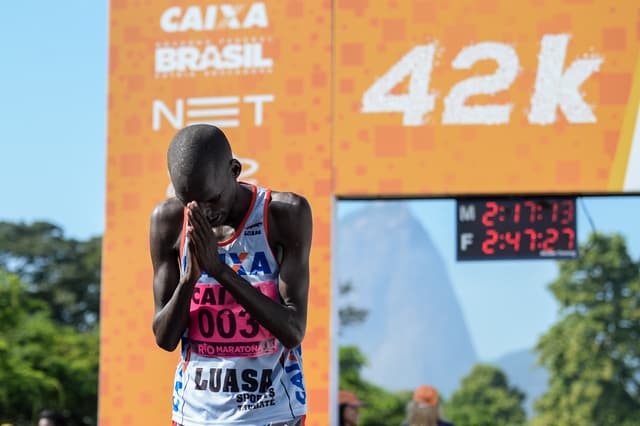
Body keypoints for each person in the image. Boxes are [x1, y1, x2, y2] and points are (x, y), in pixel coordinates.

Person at [150, 124, 312, 425]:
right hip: (196, 414)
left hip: (272, 412)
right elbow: (165, 337)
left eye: (212, 199)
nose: (205, 212)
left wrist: (219, 270)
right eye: (191, 203)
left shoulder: (284, 214)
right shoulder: (168, 221)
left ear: (234, 170)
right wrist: (189, 280)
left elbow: (292, 331)